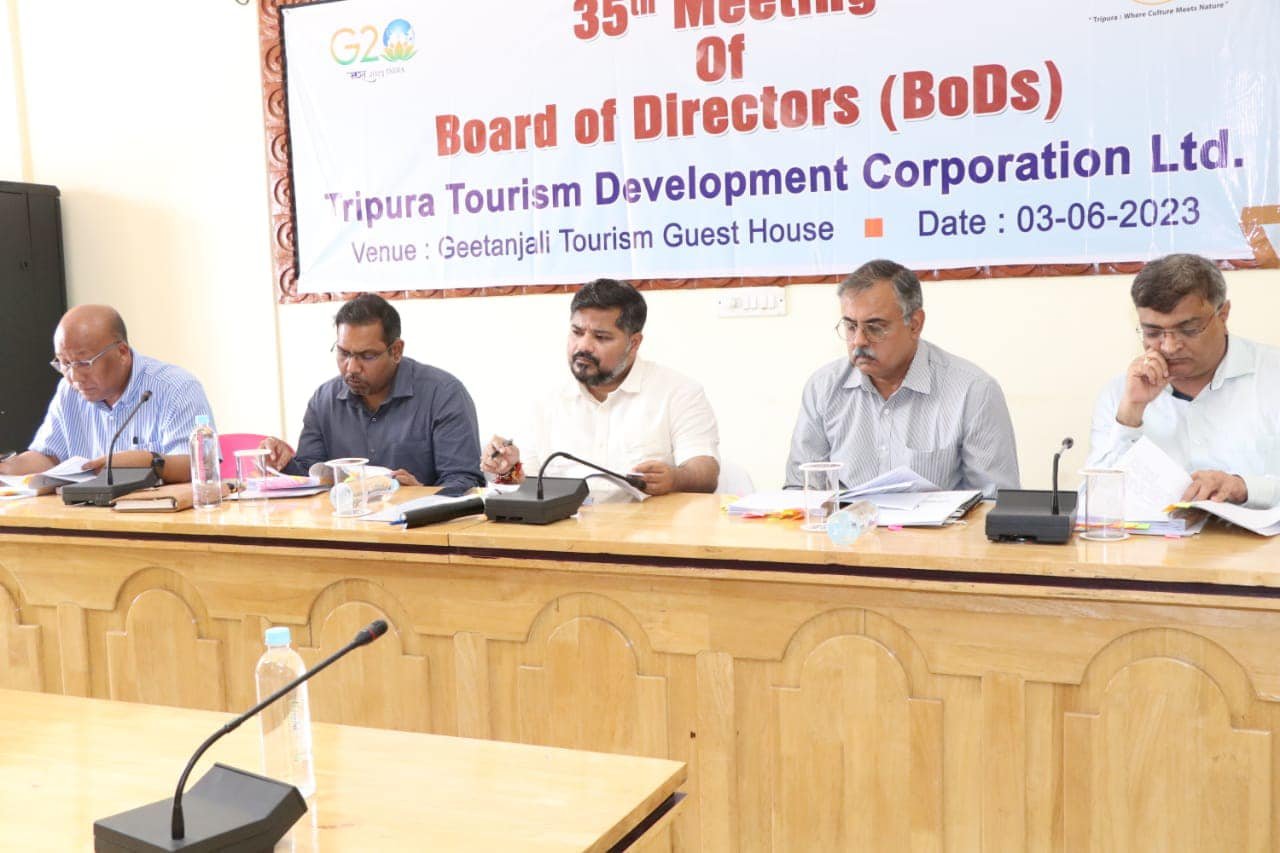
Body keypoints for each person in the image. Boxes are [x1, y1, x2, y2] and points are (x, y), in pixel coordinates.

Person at [786, 259, 1019, 496]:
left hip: (939, 522)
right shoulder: (823, 387)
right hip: (845, 521)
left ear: (915, 324)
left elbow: (993, 502)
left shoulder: (973, 391)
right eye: (851, 326)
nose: (859, 340)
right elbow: (800, 490)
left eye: (875, 327)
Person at [481, 279, 720, 501]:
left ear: (634, 343)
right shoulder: (545, 398)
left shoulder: (678, 392)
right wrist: (507, 470)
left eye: (601, 337)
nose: (583, 346)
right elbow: (527, 486)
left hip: (649, 530)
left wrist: (676, 479)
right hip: (565, 529)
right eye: (577, 332)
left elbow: (706, 473)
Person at [1086, 253, 1280, 507]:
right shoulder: (1121, 394)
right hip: (1158, 535)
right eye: (1153, 332)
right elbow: (1096, 503)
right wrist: (1130, 415)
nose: (1169, 346)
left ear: (1223, 315)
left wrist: (1245, 488)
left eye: (1188, 330)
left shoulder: (1272, 375)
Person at [260, 294, 483, 494]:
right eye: (343, 353)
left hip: (422, 524)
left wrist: (421, 493)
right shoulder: (323, 401)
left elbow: (465, 481)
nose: (352, 367)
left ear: (396, 351)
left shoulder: (443, 394)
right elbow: (312, 477)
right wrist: (283, 463)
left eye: (367, 356)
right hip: (344, 523)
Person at [0, 304, 213, 483]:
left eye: (84, 363)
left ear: (122, 352)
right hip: (87, 514)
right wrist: (8, 468)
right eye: (64, 363)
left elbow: (200, 465)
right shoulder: (69, 392)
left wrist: (146, 462)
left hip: (156, 514)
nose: (74, 376)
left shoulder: (176, 387)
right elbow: (48, 458)